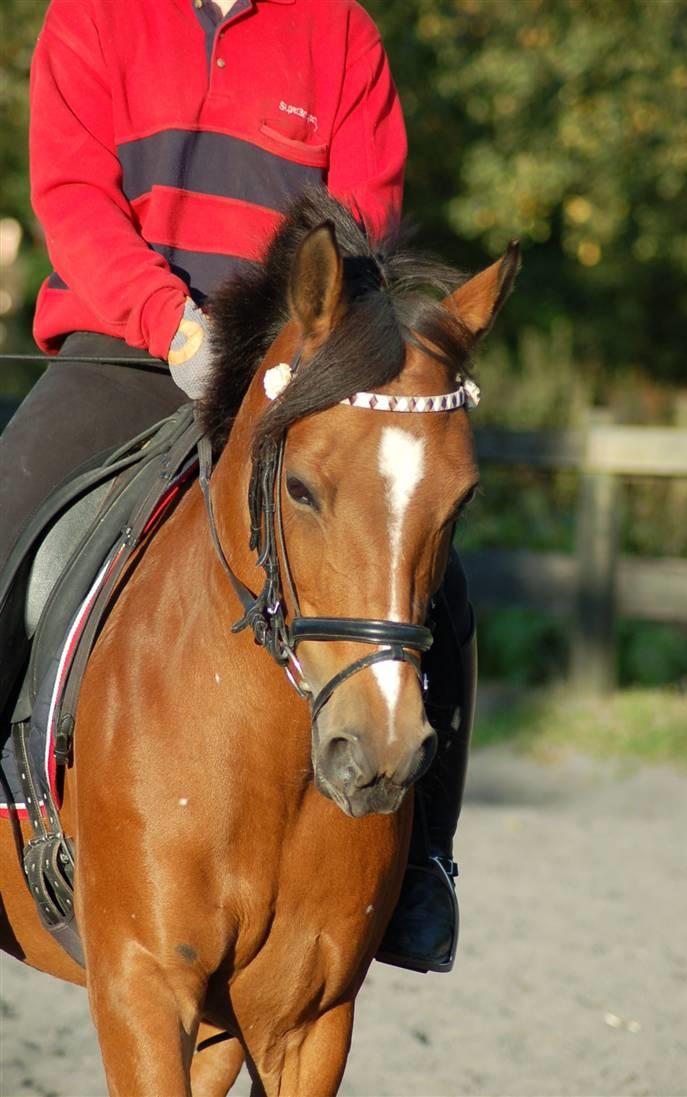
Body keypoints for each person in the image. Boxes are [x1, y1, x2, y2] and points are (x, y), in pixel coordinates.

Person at [0, 0, 475, 974]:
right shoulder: (91, 17)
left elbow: (362, 216)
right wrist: (170, 323)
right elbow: (73, 195)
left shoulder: (337, 29)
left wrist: (294, 342)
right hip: (126, 349)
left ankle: (422, 858)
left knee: (438, 586)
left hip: (290, 362)